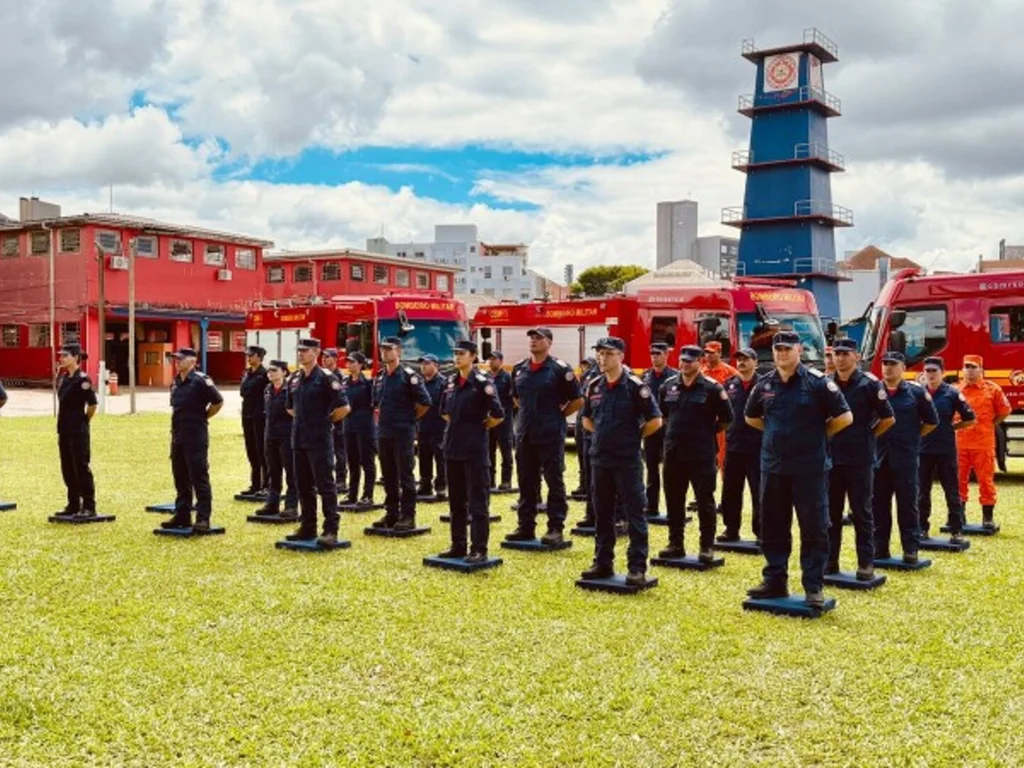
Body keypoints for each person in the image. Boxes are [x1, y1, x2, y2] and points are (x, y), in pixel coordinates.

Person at [744, 331, 852, 607]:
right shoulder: (765, 383)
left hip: (809, 468)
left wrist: (818, 435)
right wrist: (775, 435)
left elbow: (844, 417)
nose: (781, 353)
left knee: (814, 527)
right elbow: (751, 417)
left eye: (786, 348)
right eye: (777, 348)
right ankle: (775, 581)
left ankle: (813, 586)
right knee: (773, 526)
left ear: (799, 350)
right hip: (774, 467)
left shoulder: (816, 383)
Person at [580, 337, 662, 584]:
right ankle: (602, 562)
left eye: (608, 353)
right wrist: (604, 435)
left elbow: (655, 420)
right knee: (602, 513)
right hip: (600, 459)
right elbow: (586, 418)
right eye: (600, 353)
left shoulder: (636, 386)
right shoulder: (594, 385)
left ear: (621, 357)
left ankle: (637, 567)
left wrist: (631, 437)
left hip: (627, 460)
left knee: (634, 513)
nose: (603, 358)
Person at [506, 327, 584, 547]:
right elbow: (516, 398)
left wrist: (557, 416)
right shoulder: (520, 369)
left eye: (539, 338)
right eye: (531, 337)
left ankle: (555, 528)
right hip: (525, 433)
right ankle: (525, 526)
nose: (533, 341)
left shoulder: (560, 369)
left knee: (554, 481)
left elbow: (577, 400)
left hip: (550, 433)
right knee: (526, 481)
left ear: (549, 342)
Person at [827, 339, 895, 579]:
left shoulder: (869, 384)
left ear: (856, 356)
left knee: (862, 513)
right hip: (832, 459)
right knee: (831, 514)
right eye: (837, 354)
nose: (841, 358)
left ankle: (865, 563)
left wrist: (868, 434)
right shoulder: (826, 384)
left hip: (859, 459)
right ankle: (830, 561)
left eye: (846, 354)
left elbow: (888, 418)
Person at [657, 344, 733, 562]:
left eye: (690, 360)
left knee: (705, 502)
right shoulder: (668, 386)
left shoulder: (712, 388)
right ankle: (675, 544)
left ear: (700, 361)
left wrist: (708, 432)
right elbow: (662, 415)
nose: (685, 364)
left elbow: (727, 419)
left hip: (702, 454)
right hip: (674, 454)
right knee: (673, 500)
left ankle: (706, 546)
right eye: (682, 359)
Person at [437, 341, 505, 562]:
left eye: (462, 354)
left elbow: (498, 414)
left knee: (477, 502)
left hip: (474, 450)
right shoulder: (450, 382)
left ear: (473, 356)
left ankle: (479, 548)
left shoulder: (483, 382)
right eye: (455, 353)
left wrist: (478, 426)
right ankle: (458, 545)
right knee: (456, 502)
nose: (457, 357)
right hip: (453, 447)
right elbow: (444, 412)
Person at [873, 352, 939, 563]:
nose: (888, 368)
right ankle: (879, 548)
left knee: (908, 505)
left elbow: (931, 421)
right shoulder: (872, 391)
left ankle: (910, 548)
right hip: (878, 457)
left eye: (893, 364)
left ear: (903, 367)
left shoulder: (915, 393)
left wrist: (912, 437)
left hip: (905, 458)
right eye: (885, 364)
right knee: (878, 505)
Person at [285, 338, 350, 545]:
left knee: (325, 485)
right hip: (299, 438)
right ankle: (308, 525)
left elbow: (344, 407)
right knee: (303, 484)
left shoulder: (325, 377)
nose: (300, 354)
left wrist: (324, 421)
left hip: (319, 439)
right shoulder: (295, 378)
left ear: (316, 352)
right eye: (299, 350)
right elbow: (290, 407)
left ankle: (331, 528)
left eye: (305, 351)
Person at [372, 336, 432, 531]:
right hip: (384, 432)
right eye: (383, 349)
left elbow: (425, 402)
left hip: (402, 432)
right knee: (388, 475)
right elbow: (377, 404)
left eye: (390, 349)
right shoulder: (380, 377)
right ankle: (391, 513)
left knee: (405, 474)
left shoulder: (408, 376)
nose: (385, 352)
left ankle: (408, 515)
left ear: (399, 352)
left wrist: (410, 419)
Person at [164, 348, 224, 531]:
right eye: (175, 359)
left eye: (180, 359)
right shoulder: (176, 382)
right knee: (180, 477)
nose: (177, 362)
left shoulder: (200, 380)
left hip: (195, 436)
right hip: (178, 435)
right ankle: (182, 515)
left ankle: (203, 518)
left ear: (192, 361)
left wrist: (204, 417)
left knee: (199, 477)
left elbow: (218, 401)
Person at [919, 356, 976, 542]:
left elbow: (970, 418)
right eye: (927, 370)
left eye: (934, 371)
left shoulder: (952, 393)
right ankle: (921, 529)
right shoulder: (917, 392)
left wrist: (953, 428)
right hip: (923, 449)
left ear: (942, 372)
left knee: (951, 490)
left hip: (945, 449)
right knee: (921, 492)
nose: (930, 374)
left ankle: (956, 529)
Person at [957, 354, 1011, 529]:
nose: (970, 370)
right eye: (967, 366)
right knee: (958, 481)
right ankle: (959, 516)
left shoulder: (993, 389)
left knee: (986, 481)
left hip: (983, 443)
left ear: (982, 370)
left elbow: (1004, 411)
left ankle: (988, 518)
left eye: (973, 367)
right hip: (960, 444)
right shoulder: (955, 390)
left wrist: (990, 425)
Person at [718, 347, 763, 543]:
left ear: (756, 362)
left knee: (759, 492)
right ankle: (731, 528)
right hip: (734, 446)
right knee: (731, 491)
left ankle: (761, 532)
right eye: (739, 359)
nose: (742, 363)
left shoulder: (764, 385)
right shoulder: (729, 386)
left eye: (746, 359)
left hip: (758, 447)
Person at [55, 344, 98, 517]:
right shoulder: (64, 378)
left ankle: (89, 505)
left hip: (78, 429)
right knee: (67, 468)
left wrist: (85, 420)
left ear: (75, 357)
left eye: (65, 355)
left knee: (81, 466)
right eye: (61, 355)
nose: (62, 358)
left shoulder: (83, 379)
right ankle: (73, 503)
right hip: (64, 428)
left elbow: (93, 404)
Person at [258, 360, 299, 519]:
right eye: (269, 371)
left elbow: (295, 412)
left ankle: (291, 506)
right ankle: (272, 503)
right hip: (270, 435)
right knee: (273, 471)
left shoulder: (290, 389)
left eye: (274, 370)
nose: (271, 373)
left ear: (284, 372)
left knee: (291, 472)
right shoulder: (268, 389)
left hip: (287, 435)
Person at [641, 342, 677, 517]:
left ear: (666, 355)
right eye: (652, 354)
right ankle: (651, 505)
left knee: (671, 470)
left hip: (669, 429)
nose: (654, 357)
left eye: (658, 354)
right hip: (651, 428)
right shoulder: (645, 377)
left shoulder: (674, 377)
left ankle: (673, 507)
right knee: (651, 468)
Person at [343, 352, 378, 507]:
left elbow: (375, 402)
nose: (350, 365)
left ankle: (367, 495)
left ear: (361, 364)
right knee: (352, 462)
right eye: (348, 362)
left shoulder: (369, 383)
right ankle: (352, 494)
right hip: (349, 426)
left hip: (365, 427)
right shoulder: (344, 382)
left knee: (367, 462)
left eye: (353, 362)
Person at [701, 340, 739, 470]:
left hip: (723, 419)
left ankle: (724, 478)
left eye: (712, 353)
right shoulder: (701, 372)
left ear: (719, 353)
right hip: (705, 419)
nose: (708, 356)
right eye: (706, 353)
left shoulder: (730, 372)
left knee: (724, 453)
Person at [416, 354, 447, 499]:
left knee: (440, 457)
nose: (423, 366)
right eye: (422, 363)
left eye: (427, 363)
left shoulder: (443, 383)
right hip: (423, 425)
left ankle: (441, 486)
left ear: (436, 365)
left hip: (439, 426)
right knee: (424, 456)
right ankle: (425, 485)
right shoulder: (420, 383)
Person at [239, 345, 269, 496]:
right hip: (247, 415)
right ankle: (255, 484)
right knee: (251, 450)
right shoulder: (247, 373)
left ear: (259, 356)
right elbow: (243, 392)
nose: (248, 358)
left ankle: (266, 485)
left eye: (251, 355)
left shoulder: (265, 375)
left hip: (260, 416)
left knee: (262, 451)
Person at [486, 350, 515, 490]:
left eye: (494, 359)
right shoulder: (485, 378)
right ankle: (490, 480)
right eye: (489, 359)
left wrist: (508, 412)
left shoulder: (507, 378)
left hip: (504, 419)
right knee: (488, 449)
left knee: (506, 450)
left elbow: (515, 399)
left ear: (501, 361)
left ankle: (506, 480)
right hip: (490, 418)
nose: (491, 361)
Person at [322, 349, 349, 495]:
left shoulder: (341, 377)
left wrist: (335, 416)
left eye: (327, 357)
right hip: (323, 419)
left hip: (338, 418)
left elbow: (343, 401)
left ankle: (341, 479)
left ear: (335, 359)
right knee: (324, 452)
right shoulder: (321, 376)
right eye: (323, 357)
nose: (324, 359)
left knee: (340, 451)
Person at [571, 357, 597, 499]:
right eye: (583, 365)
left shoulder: (599, 375)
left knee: (590, 456)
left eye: (587, 365)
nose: (585, 367)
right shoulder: (586, 376)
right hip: (582, 416)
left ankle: (591, 488)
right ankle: (584, 485)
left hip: (592, 416)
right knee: (582, 454)